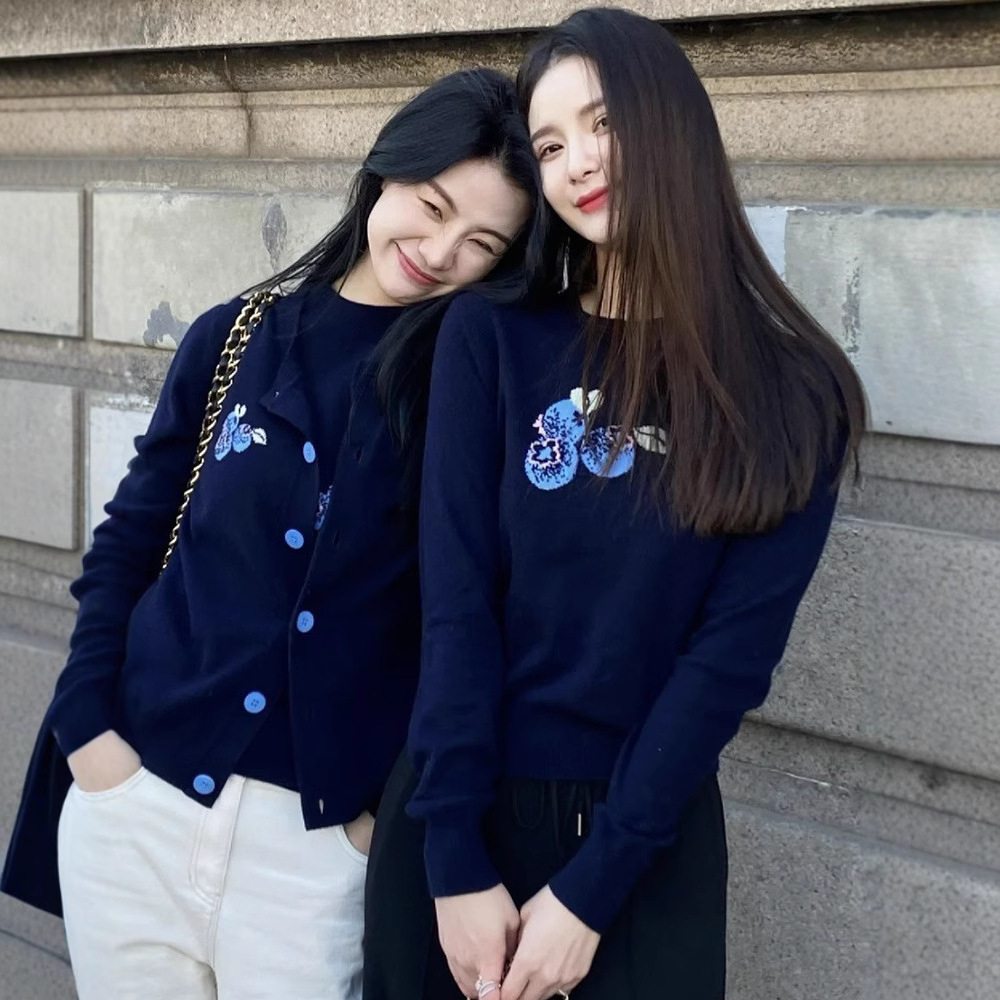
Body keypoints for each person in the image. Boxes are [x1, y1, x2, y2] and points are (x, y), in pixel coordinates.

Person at [1, 67, 539, 1000]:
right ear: (386, 170)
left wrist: (376, 824)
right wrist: (87, 728)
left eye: (482, 242)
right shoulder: (237, 336)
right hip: (136, 802)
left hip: (318, 853)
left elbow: (478, 619)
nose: (441, 249)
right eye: (432, 205)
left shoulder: (473, 390)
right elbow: (130, 541)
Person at [363, 9, 867, 1000]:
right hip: (460, 827)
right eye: (550, 146)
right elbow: (455, 602)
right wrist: (452, 853)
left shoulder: (794, 391)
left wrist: (591, 892)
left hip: (644, 855)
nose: (579, 162)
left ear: (672, 120)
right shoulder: (493, 340)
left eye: (602, 123)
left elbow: (725, 667)